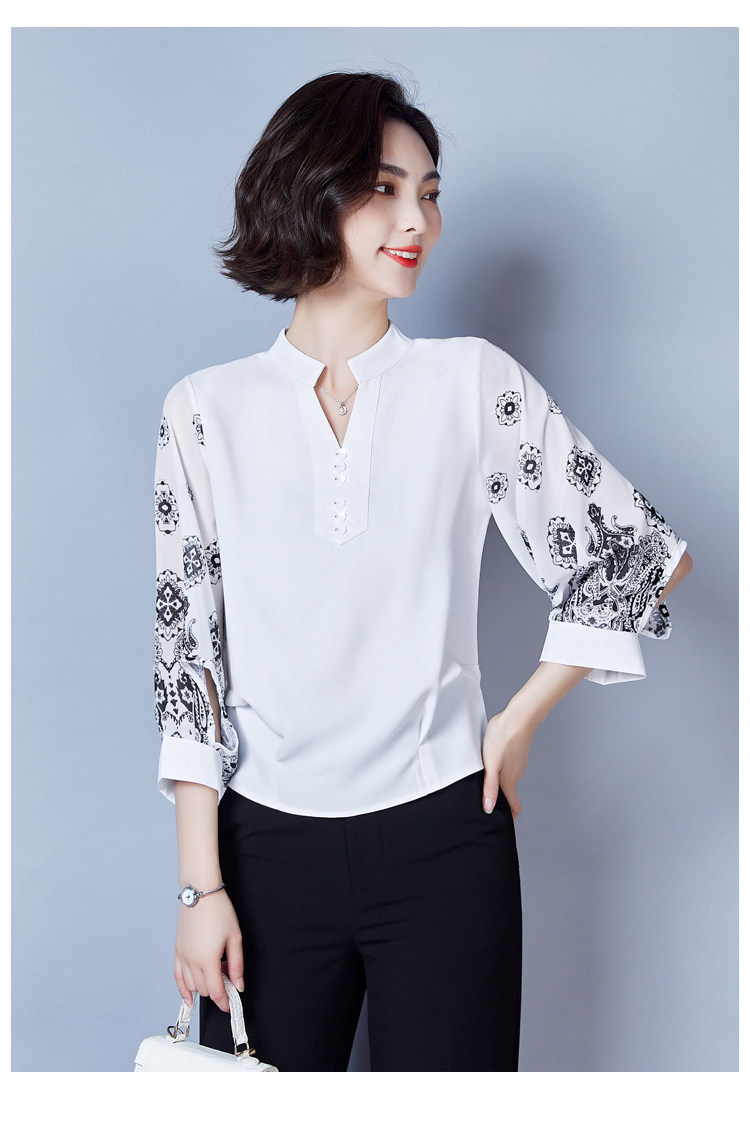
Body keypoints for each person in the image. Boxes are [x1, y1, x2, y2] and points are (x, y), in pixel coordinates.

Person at [152, 71, 693, 1072]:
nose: (418, 220)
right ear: (307, 190)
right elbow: (188, 661)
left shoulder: (469, 383)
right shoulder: (203, 412)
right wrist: (201, 888)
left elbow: (639, 552)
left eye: (431, 192)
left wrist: (520, 716)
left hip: (445, 836)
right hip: (262, 853)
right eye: (385, 188)